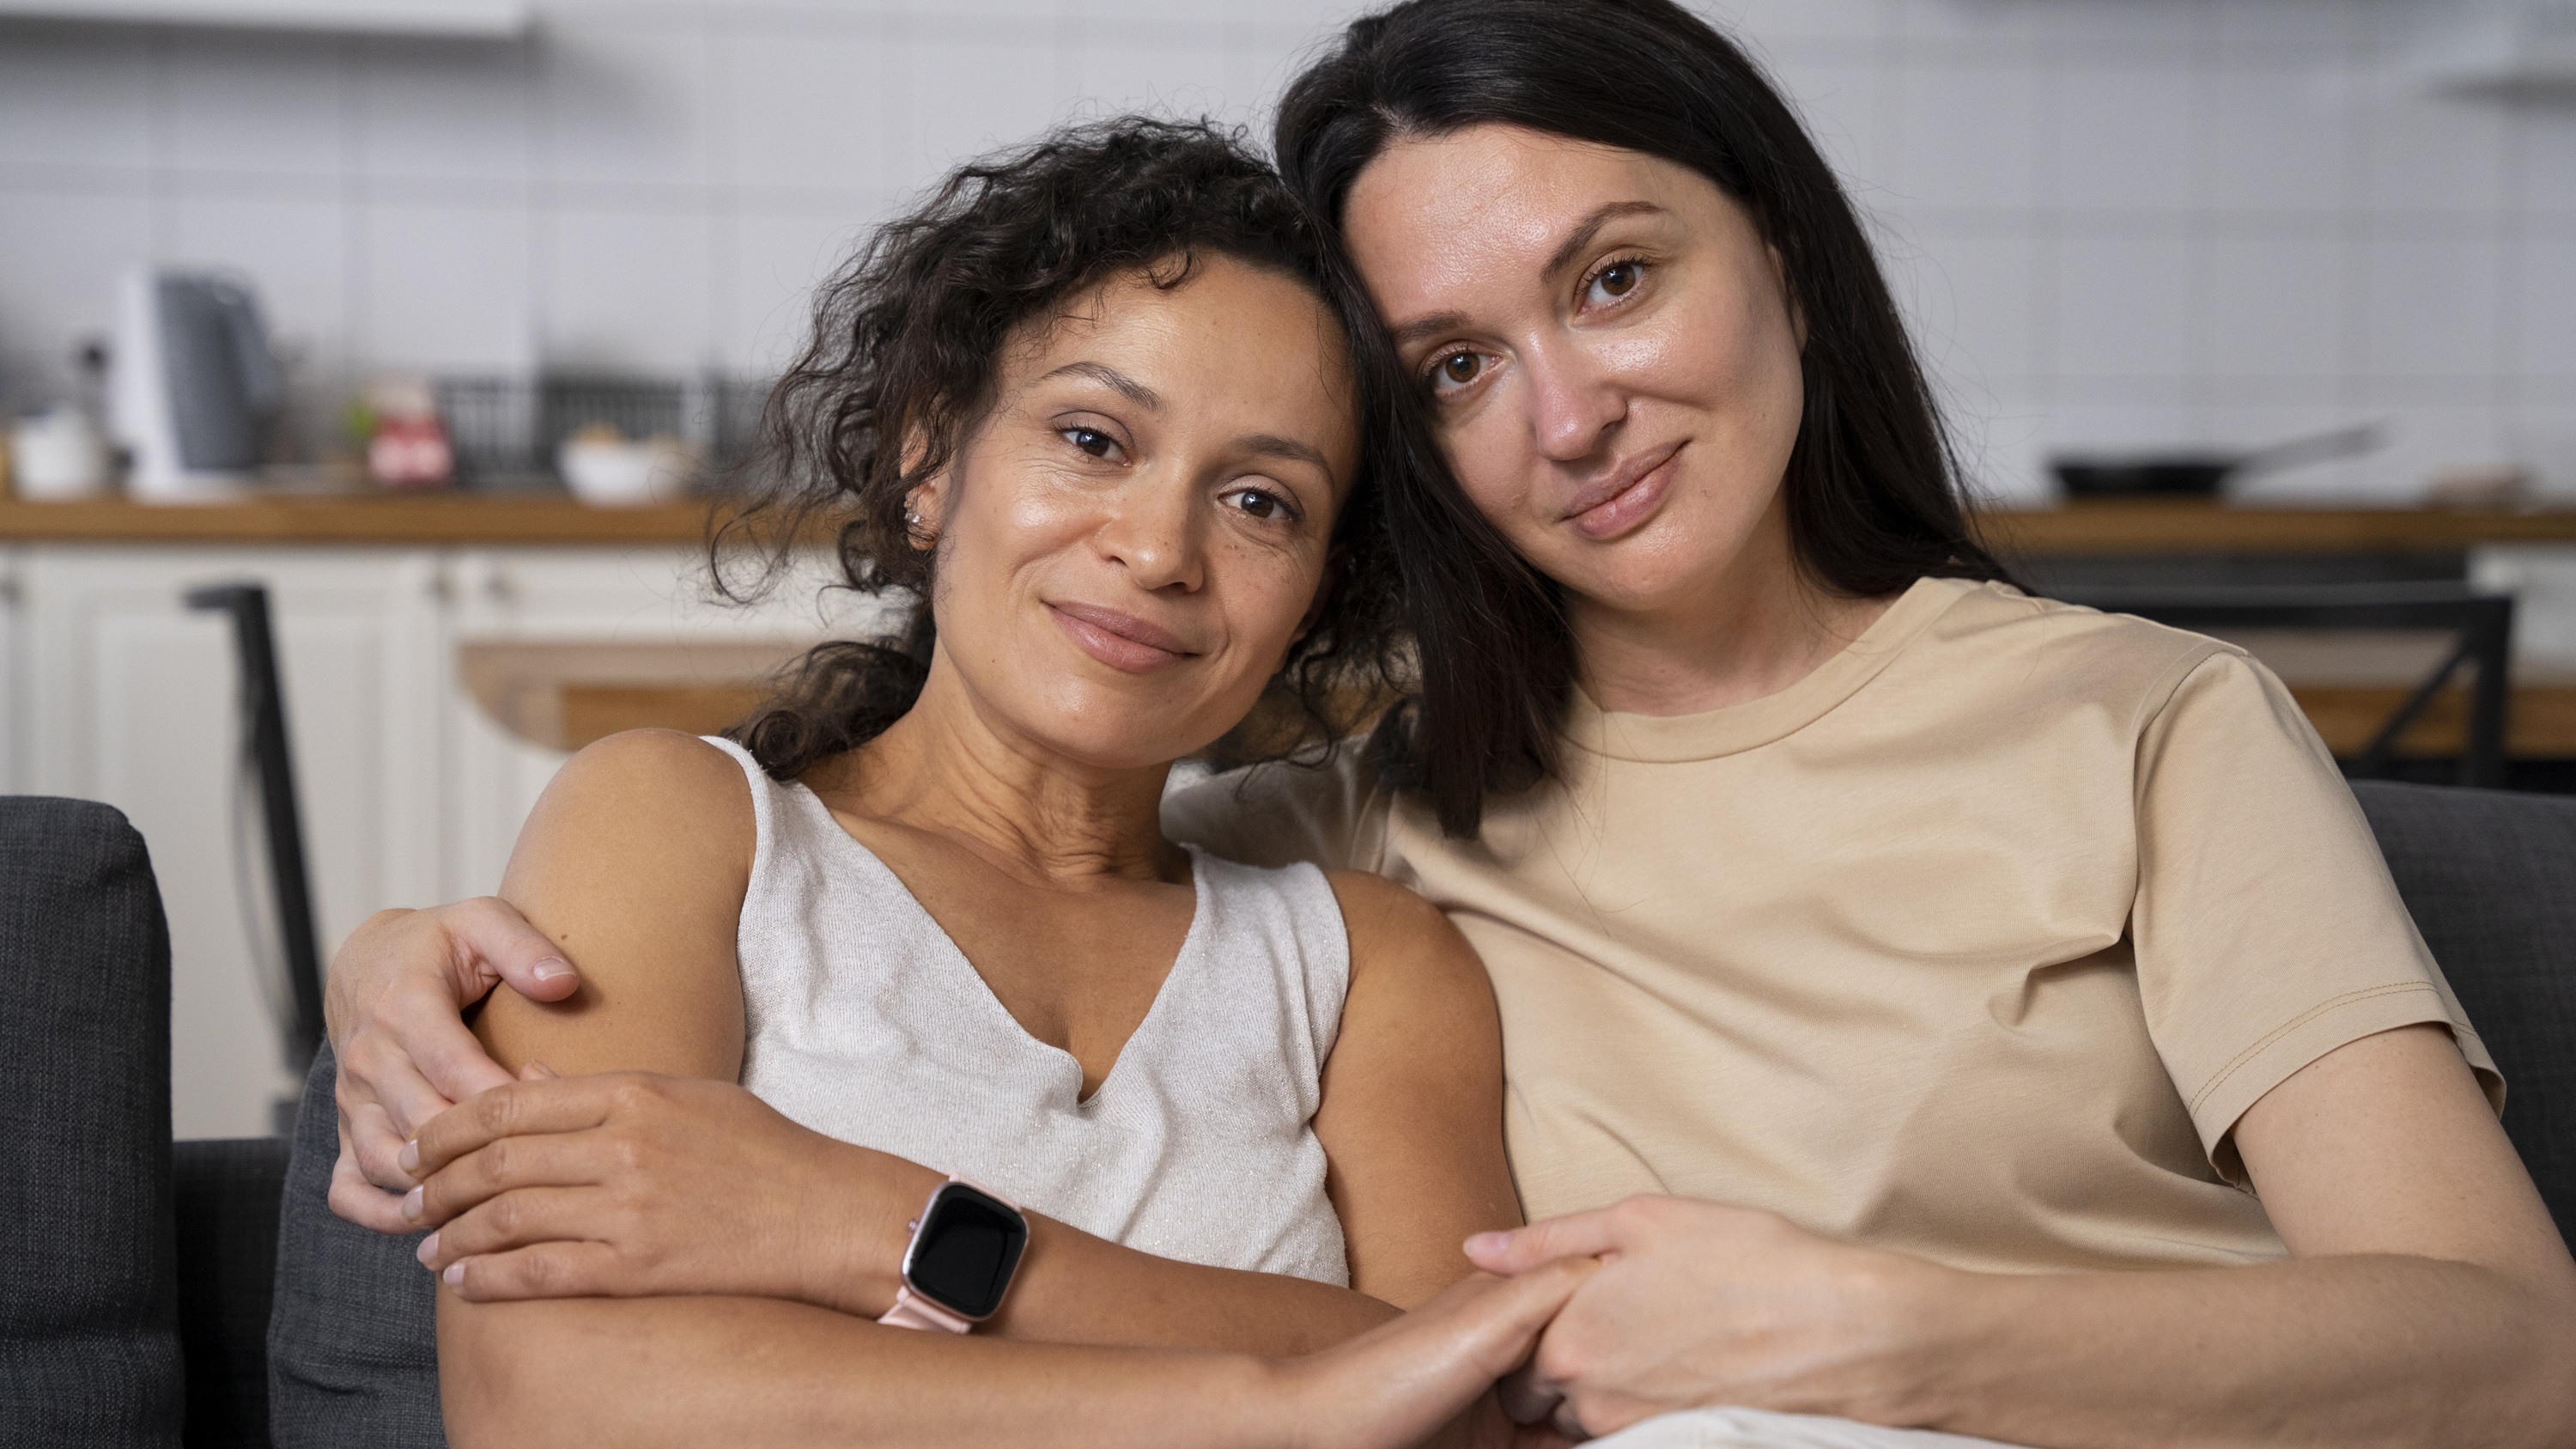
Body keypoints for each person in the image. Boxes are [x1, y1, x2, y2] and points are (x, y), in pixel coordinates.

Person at [327, 2, 2576, 1446]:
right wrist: (421, 967)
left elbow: (2516, 1353)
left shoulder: (2150, 726)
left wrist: (1858, 1331)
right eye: (1454, 369)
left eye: (1616, 276)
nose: (1575, 409)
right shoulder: (1362, 851)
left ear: (1777, 258)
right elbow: (961, 862)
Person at [402, 116, 1599, 1448]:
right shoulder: (675, 827)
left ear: (1323, 593)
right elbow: (548, 1407)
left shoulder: (1369, 967)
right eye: (1093, 439)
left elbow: (1463, 1406)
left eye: (1262, 501)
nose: (1157, 550)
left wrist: (864, 1226)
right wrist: (1288, 1396)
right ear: (929, 459)